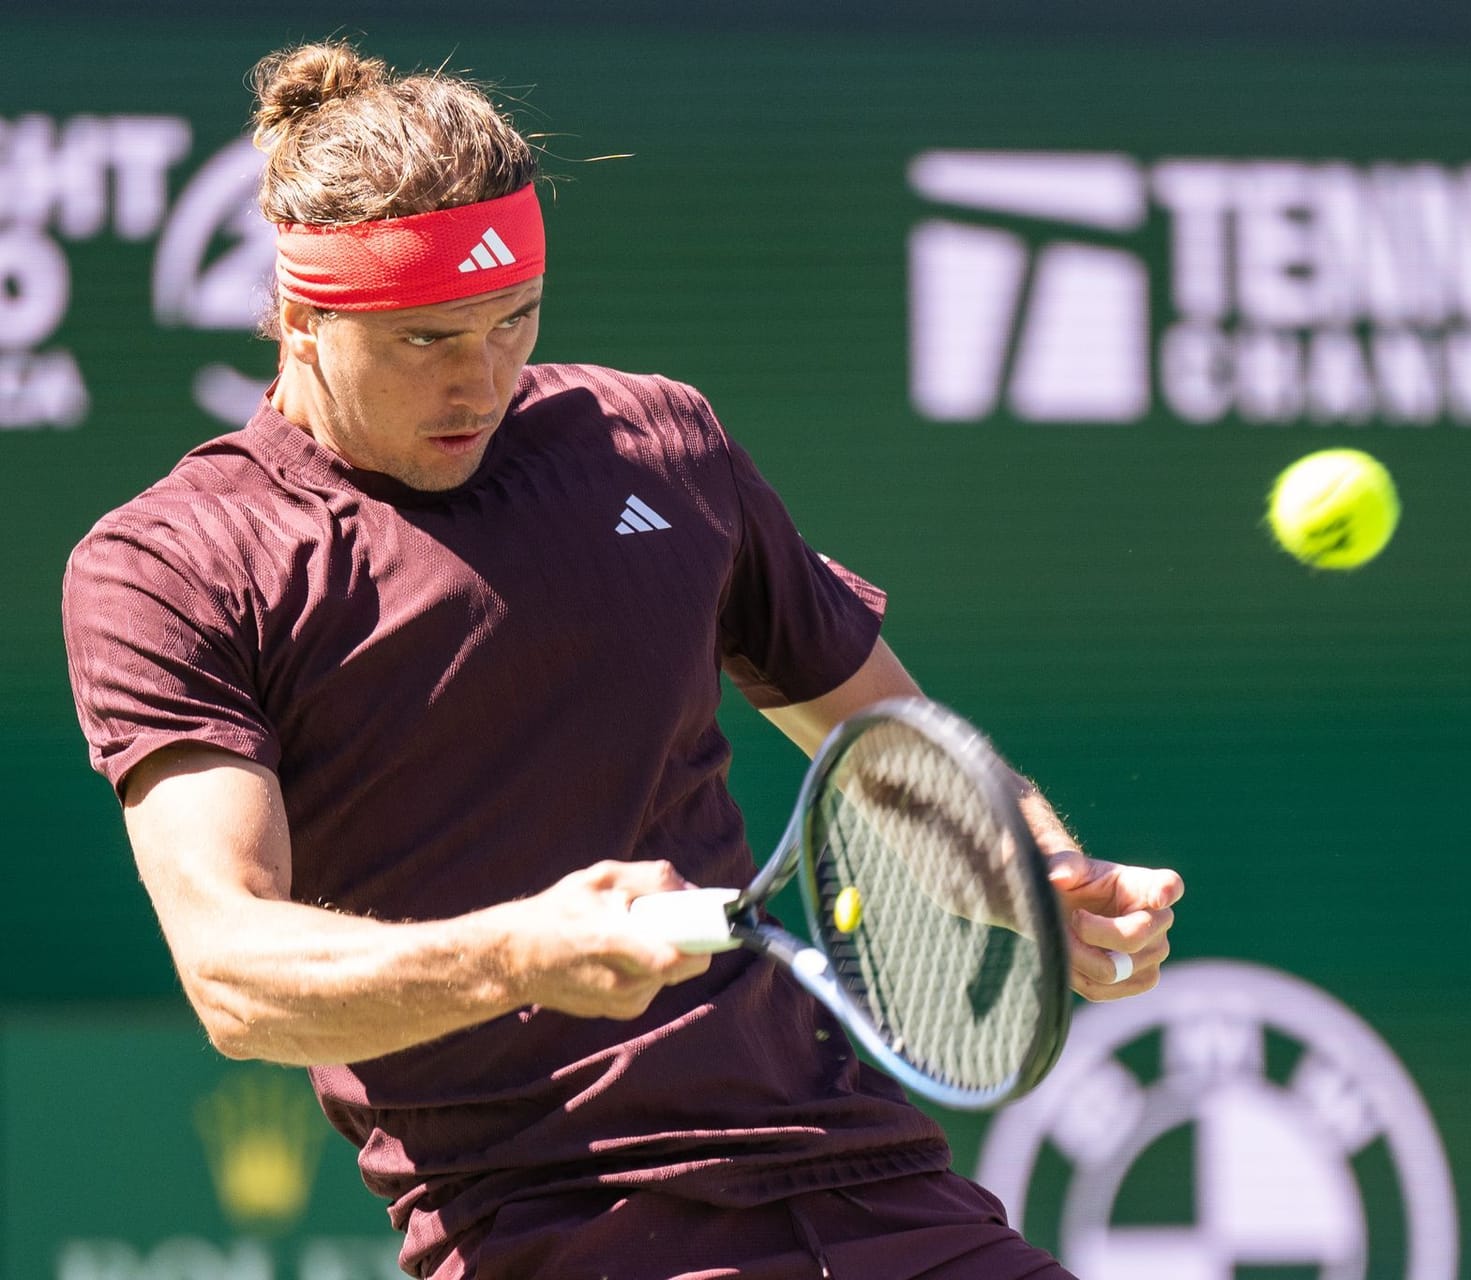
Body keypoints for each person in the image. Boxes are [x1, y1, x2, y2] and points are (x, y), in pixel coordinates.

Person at [61, 40, 1183, 1280]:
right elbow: (233, 971)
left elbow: (898, 759)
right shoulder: (175, 560)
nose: (481, 377)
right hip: (557, 1222)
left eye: (513, 321)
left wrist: (1040, 878)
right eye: (428, 338)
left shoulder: (658, 443)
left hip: (873, 1179)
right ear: (302, 317)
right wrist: (517, 953)